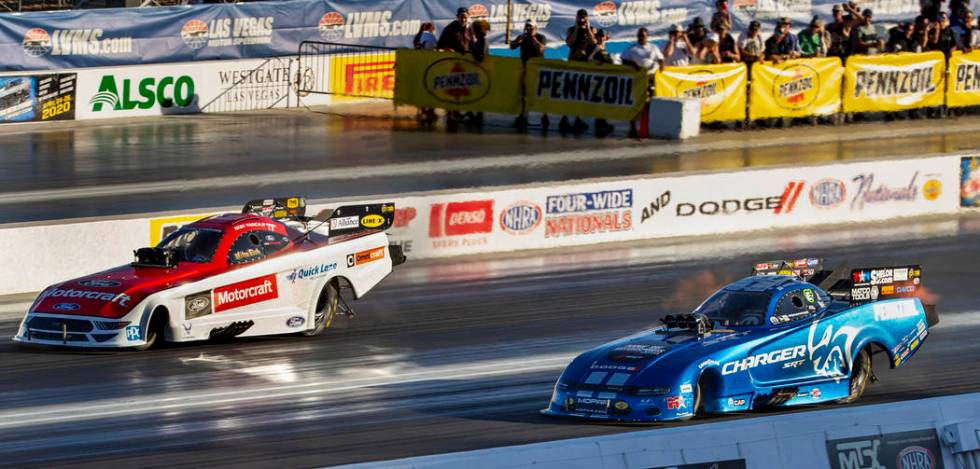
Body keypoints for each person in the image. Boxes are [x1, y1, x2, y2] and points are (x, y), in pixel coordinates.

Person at [561, 9, 599, 135]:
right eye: (580, 17)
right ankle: (564, 118)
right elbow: (569, 42)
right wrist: (577, 28)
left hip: (584, 64)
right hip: (573, 62)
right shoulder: (571, 29)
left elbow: (594, 42)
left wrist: (587, 28)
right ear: (576, 18)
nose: (582, 20)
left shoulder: (592, 29)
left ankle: (578, 118)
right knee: (569, 92)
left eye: (584, 18)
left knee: (581, 93)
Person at [621, 27, 664, 138]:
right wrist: (632, 64)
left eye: (643, 35)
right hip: (637, 80)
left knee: (649, 104)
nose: (641, 38)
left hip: (650, 79)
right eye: (639, 35)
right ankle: (633, 127)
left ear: (647, 36)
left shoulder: (653, 47)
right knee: (634, 104)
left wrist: (662, 68)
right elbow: (623, 59)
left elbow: (661, 59)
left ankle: (647, 126)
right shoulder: (632, 48)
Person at [510, 19, 548, 131]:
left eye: (531, 27)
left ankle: (544, 116)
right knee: (523, 94)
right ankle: (522, 115)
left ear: (535, 28)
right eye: (527, 27)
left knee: (540, 94)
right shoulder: (522, 37)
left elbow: (541, 49)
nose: (529, 29)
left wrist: (533, 37)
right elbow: (512, 46)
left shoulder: (540, 37)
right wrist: (519, 40)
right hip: (525, 68)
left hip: (537, 70)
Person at [413, 23, 438, 124]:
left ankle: (422, 110)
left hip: (419, 66)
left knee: (422, 89)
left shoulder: (418, 37)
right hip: (429, 66)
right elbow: (432, 49)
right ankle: (430, 111)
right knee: (431, 89)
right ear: (432, 29)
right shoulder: (430, 37)